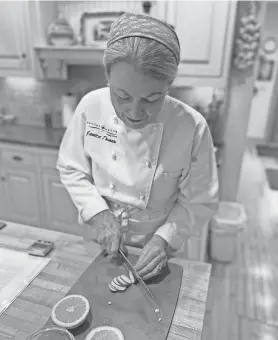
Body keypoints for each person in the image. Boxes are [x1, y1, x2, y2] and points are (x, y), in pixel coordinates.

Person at [57, 12, 219, 281]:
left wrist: (163, 241)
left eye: (151, 99)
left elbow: (199, 201)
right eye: (121, 96)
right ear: (107, 76)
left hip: (156, 251)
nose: (133, 112)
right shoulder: (90, 106)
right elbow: (71, 168)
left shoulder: (191, 127)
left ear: (169, 85)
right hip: (99, 242)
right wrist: (99, 215)